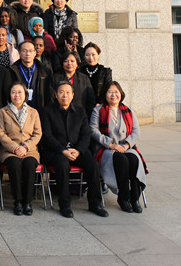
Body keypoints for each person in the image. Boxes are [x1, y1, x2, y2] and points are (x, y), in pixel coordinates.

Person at [41, 82, 108, 218]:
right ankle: (65, 205)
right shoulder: (47, 111)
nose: (64, 95)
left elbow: (86, 134)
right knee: (62, 164)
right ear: (56, 95)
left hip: (77, 150)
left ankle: (95, 203)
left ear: (72, 95)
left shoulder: (80, 111)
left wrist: (78, 150)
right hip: (56, 151)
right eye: (61, 92)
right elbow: (46, 136)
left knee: (93, 164)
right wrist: (63, 150)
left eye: (68, 92)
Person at [90, 82, 148, 214]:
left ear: (121, 93)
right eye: (110, 92)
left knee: (134, 160)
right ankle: (123, 198)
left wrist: (126, 145)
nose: (113, 95)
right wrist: (111, 144)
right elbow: (93, 130)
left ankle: (135, 198)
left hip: (126, 146)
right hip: (106, 149)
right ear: (105, 94)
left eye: (116, 92)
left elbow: (136, 132)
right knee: (122, 160)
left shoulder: (128, 110)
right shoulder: (98, 110)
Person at [0, 82, 42, 216]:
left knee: (29, 164)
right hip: (9, 151)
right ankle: (17, 201)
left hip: (30, 150)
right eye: (13, 92)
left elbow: (37, 133)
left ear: (25, 95)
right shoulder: (3, 112)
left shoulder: (34, 112)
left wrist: (26, 147)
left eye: (19, 92)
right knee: (14, 164)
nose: (16, 95)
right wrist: (15, 147)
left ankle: (27, 202)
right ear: (9, 95)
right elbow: (1, 133)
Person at [9, 41, 53, 112]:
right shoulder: (12, 71)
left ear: (35, 53)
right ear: (19, 53)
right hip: (18, 110)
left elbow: (49, 93)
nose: (28, 54)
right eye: (24, 51)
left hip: (39, 110)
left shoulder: (45, 71)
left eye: (30, 51)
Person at [53, 51, 96, 118]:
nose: (69, 63)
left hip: (80, 116)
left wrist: (86, 116)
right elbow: (51, 98)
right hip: (59, 116)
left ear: (77, 64)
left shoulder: (84, 78)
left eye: (72, 61)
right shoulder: (55, 78)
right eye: (66, 61)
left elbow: (91, 100)